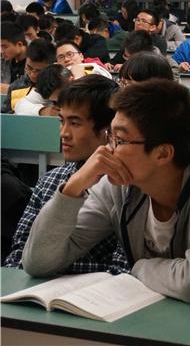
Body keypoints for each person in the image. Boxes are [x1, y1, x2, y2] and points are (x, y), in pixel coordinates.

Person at [21, 79, 190, 303]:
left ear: (163, 154)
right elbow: (38, 262)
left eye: (120, 140)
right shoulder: (120, 181)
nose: (107, 151)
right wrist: (74, 187)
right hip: (167, 315)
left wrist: (139, 268)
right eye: (111, 137)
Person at [4, 75, 120, 272]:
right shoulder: (50, 180)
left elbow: (120, 268)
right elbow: (18, 254)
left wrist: (53, 266)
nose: (63, 133)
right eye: (61, 121)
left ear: (107, 130)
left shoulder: (124, 188)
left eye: (74, 123)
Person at [2, 39, 55, 113]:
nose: (33, 75)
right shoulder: (15, 86)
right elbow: (5, 114)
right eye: (29, 68)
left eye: (39, 71)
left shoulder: (56, 88)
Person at [1, 22, 28, 91]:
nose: (1, 51)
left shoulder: (35, 61)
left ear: (19, 44)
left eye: (4, 47)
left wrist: (8, 88)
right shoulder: (5, 60)